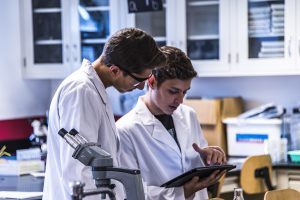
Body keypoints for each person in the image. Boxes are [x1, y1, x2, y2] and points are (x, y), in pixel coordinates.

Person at [43, 28, 166, 200]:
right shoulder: (81, 91)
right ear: (115, 70)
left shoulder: (95, 89)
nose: (141, 87)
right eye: (139, 80)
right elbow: (80, 173)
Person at [116, 46, 227, 200]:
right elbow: (128, 192)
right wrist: (180, 193)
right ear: (152, 81)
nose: (180, 100)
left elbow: (191, 164)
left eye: (185, 92)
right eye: (173, 91)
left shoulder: (188, 115)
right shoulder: (125, 130)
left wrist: (208, 158)